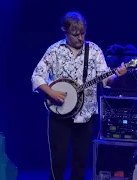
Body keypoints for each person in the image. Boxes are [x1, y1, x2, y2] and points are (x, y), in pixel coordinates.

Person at [31, 12, 127, 180]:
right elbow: (37, 77)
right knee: (58, 160)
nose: (80, 38)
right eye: (75, 35)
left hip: (86, 113)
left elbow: (106, 80)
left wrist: (117, 75)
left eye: (83, 33)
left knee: (80, 160)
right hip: (58, 113)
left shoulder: (94, 51)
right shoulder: (54, 51)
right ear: (65, 32)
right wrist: (51, 92)